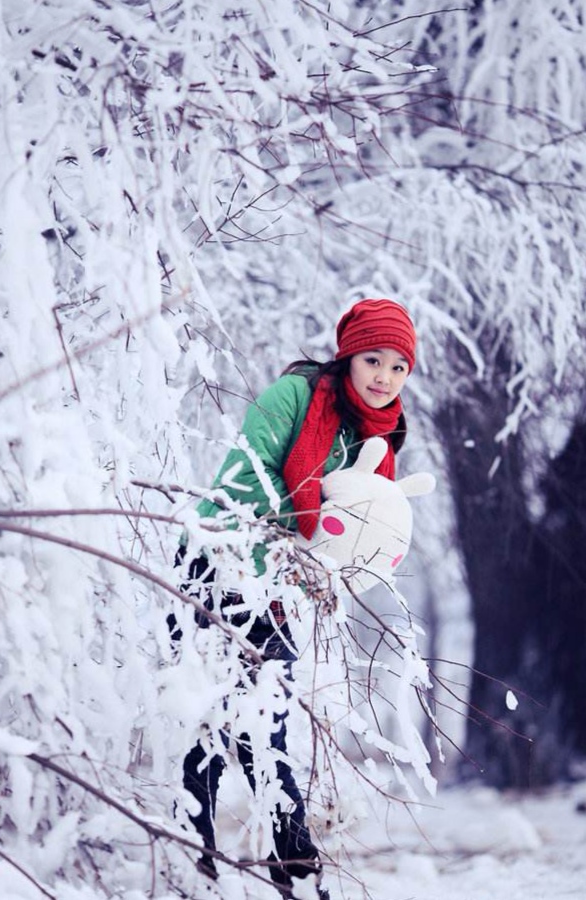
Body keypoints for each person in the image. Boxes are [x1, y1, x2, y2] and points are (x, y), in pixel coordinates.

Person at [175, 298, 416, 899]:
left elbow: (364, 523)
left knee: (251, 722)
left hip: (279, 586)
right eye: (373, 360)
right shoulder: (294, 398)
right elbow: (243, 484)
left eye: (398, 367)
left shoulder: (379, 435)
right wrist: (301, 540)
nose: (384, 377)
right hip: (217, 562)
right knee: (228, 719)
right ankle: (237, 866)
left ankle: (244, 867)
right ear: (348, 357)